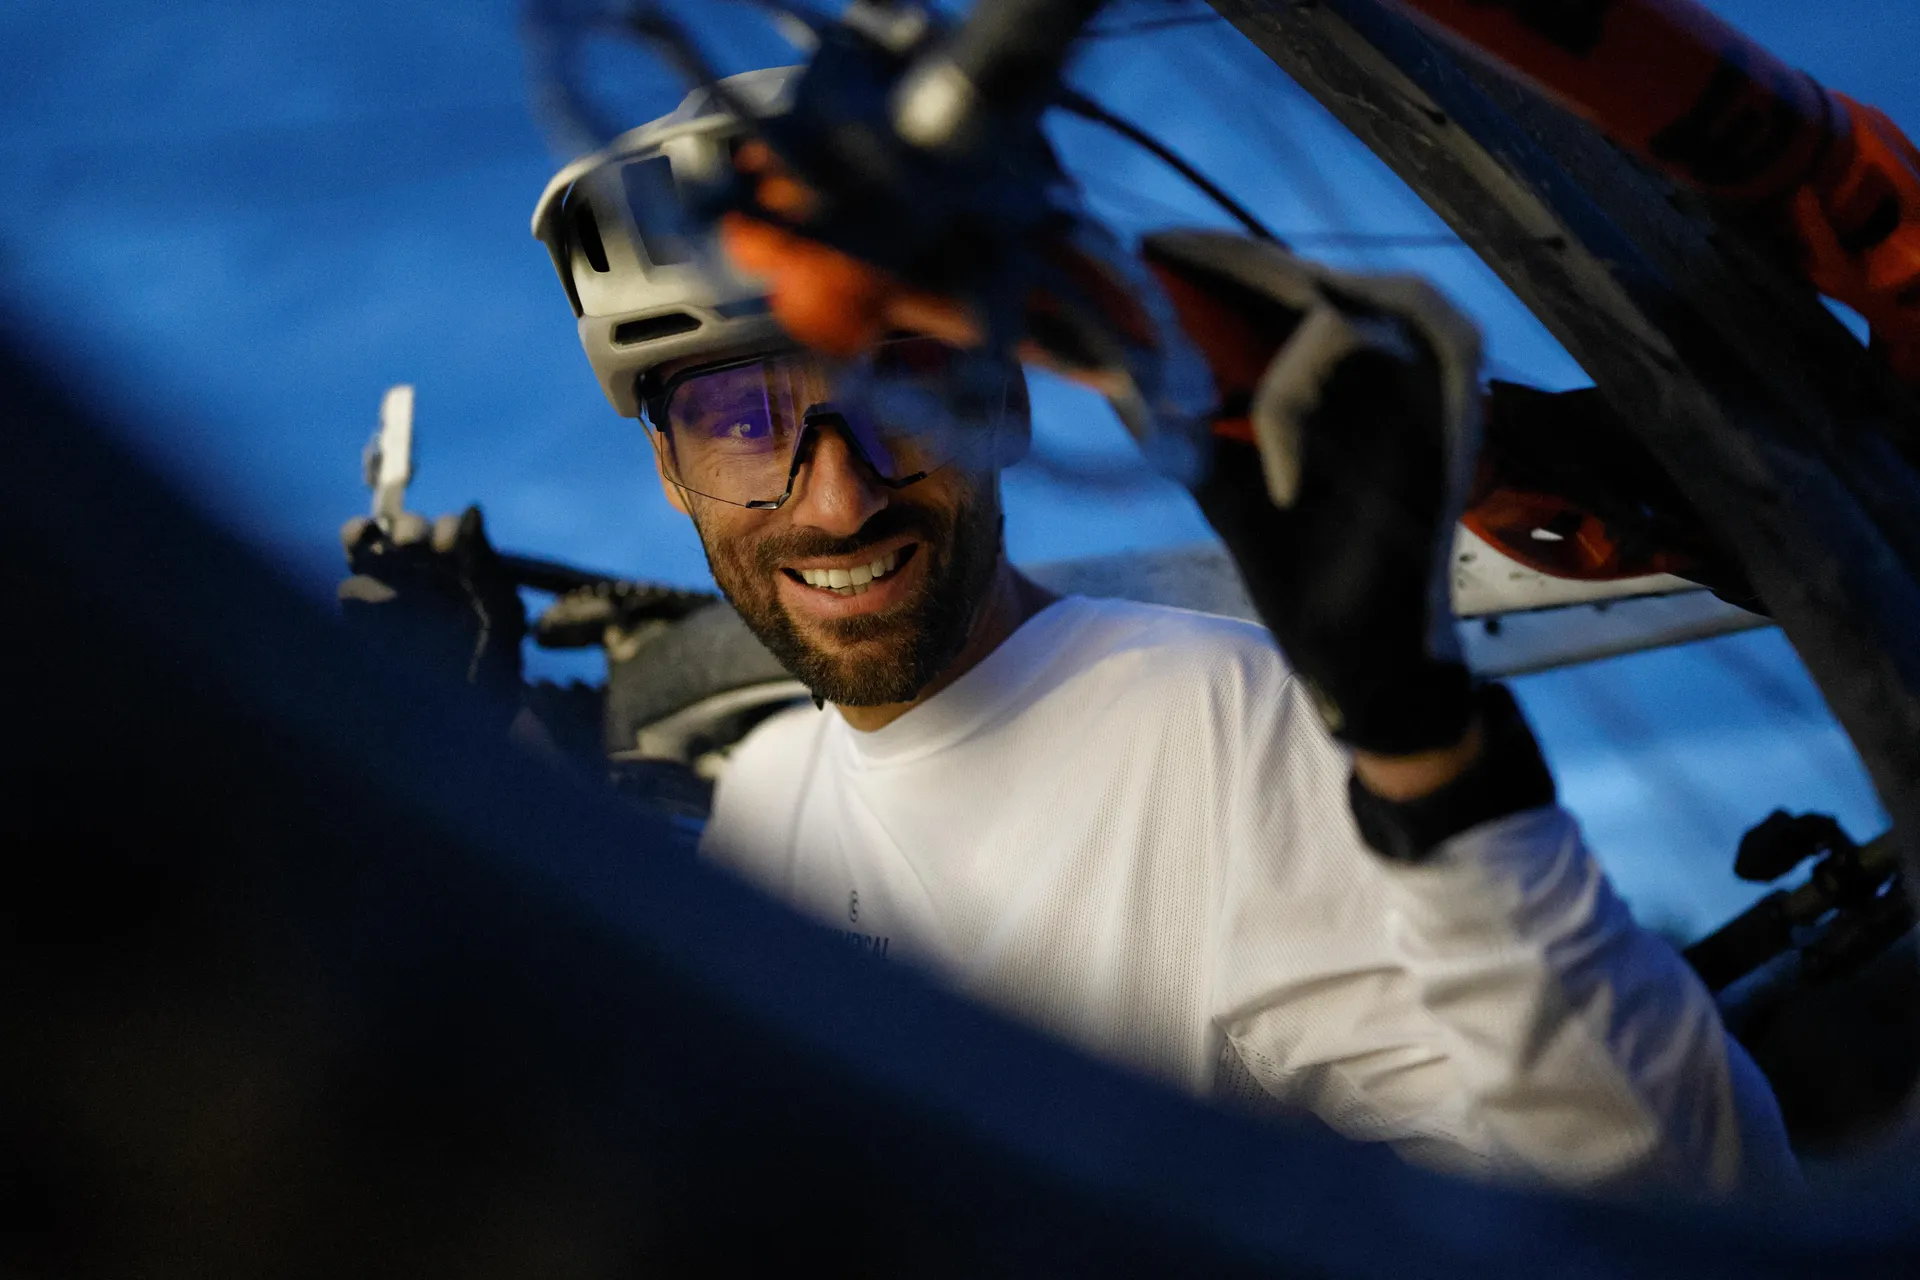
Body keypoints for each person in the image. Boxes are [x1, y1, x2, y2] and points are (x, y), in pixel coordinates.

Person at [512, 67, 1799, 1192]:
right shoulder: (763, 794)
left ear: (1009, 406)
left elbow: (1665, 1201)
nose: (840, 499)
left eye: (906, 391)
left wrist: (1425, 751)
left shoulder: (1233, 731)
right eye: (743, 423)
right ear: (670, 469)